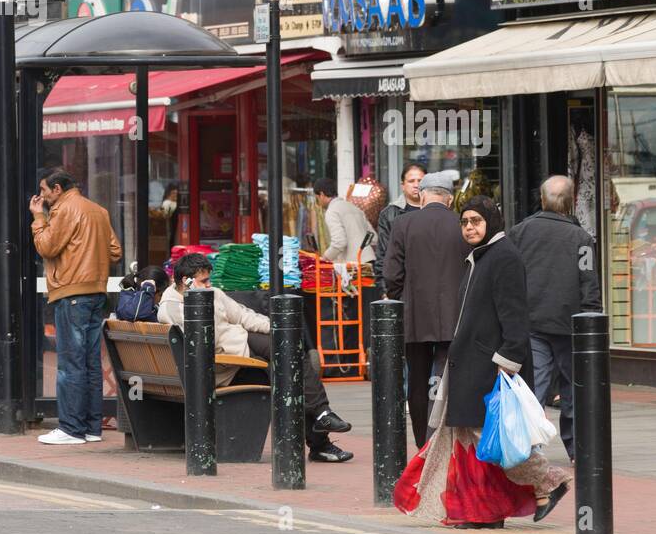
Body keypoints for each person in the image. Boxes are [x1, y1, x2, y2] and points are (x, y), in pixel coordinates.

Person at [394, 196, 570, 529]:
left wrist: (507, 361)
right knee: (472, 445)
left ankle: (548, 480)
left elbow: (515, 318)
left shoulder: (504, 257)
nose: (470, 227)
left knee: (490, 439)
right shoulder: (482, 256)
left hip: (488, 367)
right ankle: (484, 512)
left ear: (491, 221)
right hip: (470, 366)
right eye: (465, 222)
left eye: (476, 221)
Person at [159, 253, 354, 462]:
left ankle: (323, 418)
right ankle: (321, 436)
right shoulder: (172, 308)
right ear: (185, 281)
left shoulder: (212, 293)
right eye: (204, 281)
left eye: (209, 280)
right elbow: (205, 341)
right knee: (287, 369)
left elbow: (243, 315)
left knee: (288, 358)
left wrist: (277, 327)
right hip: (224, 364)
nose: (209, 285)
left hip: (239, 348)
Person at [507, 175, 602, 461]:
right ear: (572, 201)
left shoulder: (519, 233)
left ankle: (528, 447)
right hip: (570, 323)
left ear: (542, 197)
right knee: (575, 388)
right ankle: (577, 448)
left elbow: (509, 277)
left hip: (532, 322)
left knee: (534, 387)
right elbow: (589, 281)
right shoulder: (582, 239)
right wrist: (591, 318)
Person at [29, 170, 122, 445]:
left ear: (57, 189)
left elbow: (46, 246)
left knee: (70, 363)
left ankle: (70, 428)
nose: (42, 196)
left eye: (44, 190)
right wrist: (88, 254)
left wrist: (38, 218)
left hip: (71, 293)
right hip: (96, 293)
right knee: (91, 363)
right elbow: (114, 251)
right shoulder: (98, 211)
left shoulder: (63, 209)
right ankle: (92, 428)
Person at [383, 171, 469, 448]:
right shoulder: (463, 224)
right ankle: (447, 442)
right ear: (451, 199)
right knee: (449, 380)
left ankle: (423, 443)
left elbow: (392, 275)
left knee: (418, 383)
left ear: (421, 195)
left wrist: (401, 299)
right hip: (455, 316)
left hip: (415, 316)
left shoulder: (403, 224)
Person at [374, 163, 425, 276]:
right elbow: (383, 253)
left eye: (420, 180)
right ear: (403, 185)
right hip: (401, 281)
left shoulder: (436, 211)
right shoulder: (390, 214)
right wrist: (384, 290)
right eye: (411, 181)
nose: (416, 185)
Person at [314, 177, 376, 264]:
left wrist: (325, 258)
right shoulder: (354, 208)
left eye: (317, 198)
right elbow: (374, 238)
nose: (318, 202)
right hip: (369, 261)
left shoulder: (332, 211)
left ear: (321, 194)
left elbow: (339, 242)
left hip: (354, 266)